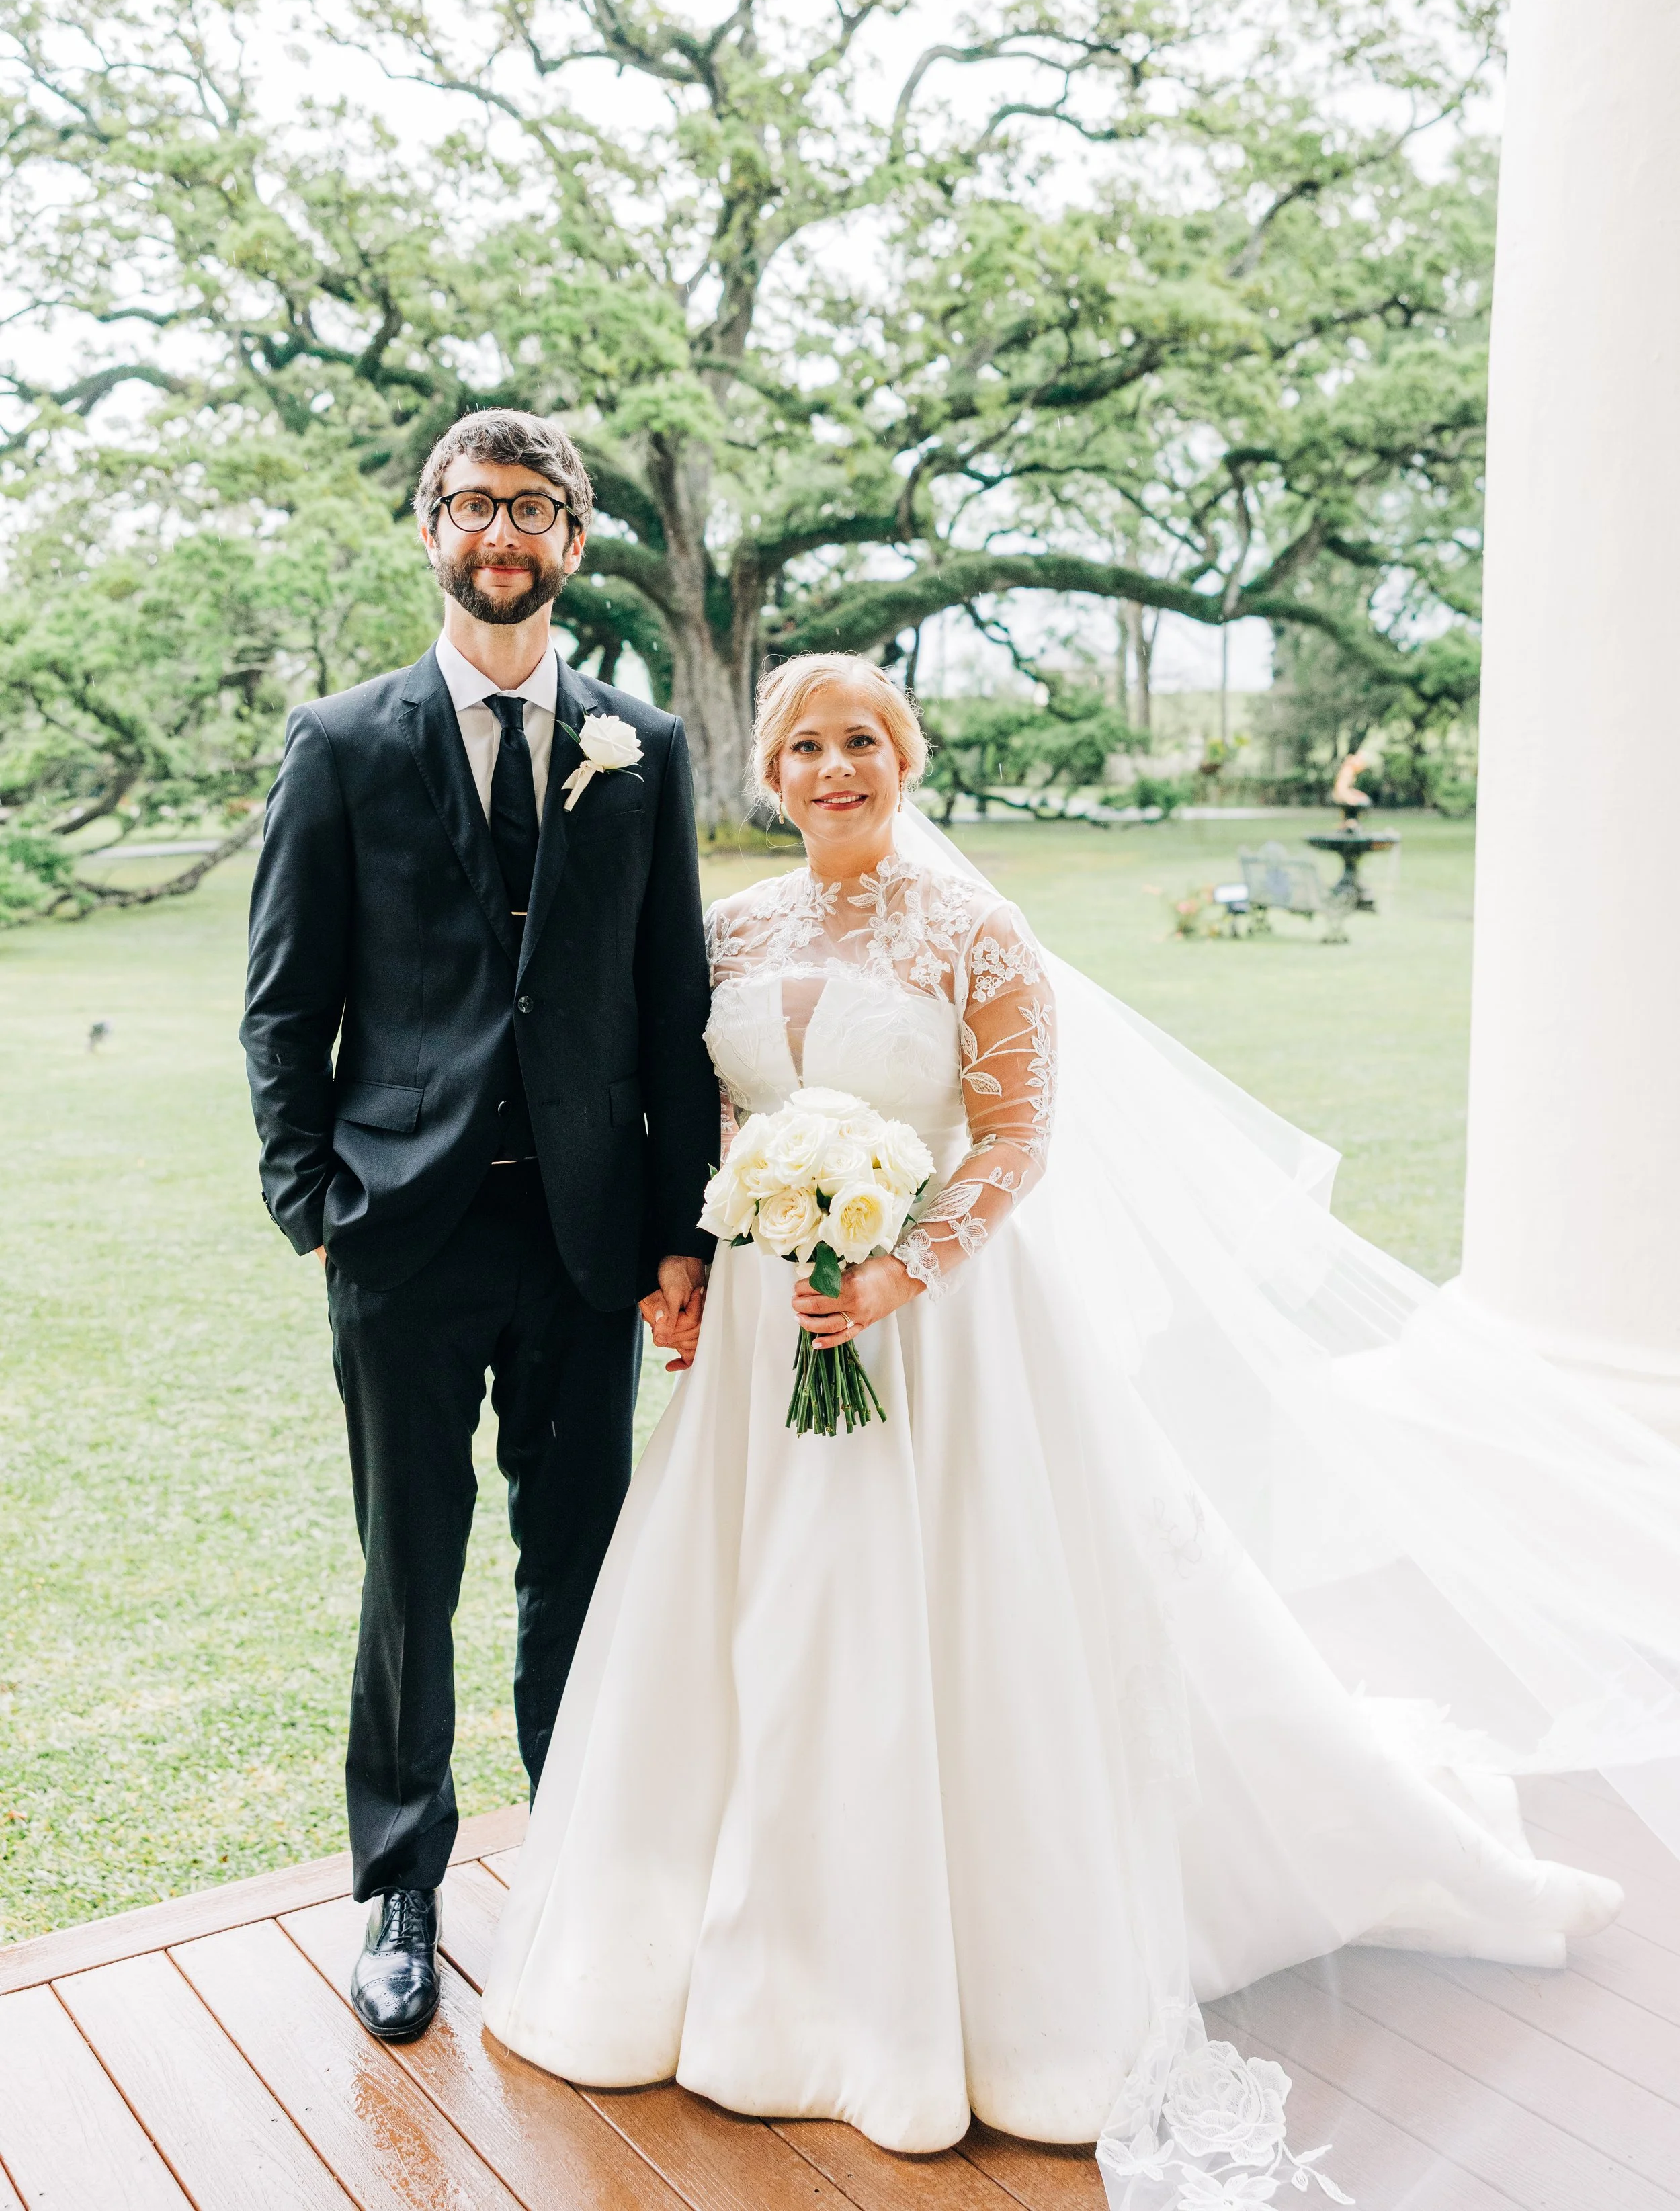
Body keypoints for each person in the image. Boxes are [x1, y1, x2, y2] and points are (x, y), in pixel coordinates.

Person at [483, 651, 1680, 2196]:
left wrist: (900, 1261)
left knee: (950, 1622)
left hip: (941, 1332)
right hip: (771, 1326)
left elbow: (1018, 1131)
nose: (831, 765)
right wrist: (729, 1250)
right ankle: (750, 1959)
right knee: (765, 1620)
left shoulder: (975, 930)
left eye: (860, 739)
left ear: (902, 762)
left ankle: (972, 1987)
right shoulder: (728, 931)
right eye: (802, 744)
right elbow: (707, 1111)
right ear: (765, 775)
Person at [241, 410, 718, 2042]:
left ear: (575, 540)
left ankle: (580, 1867)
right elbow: (284, 1002)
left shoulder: (640, 743)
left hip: (584, 1244)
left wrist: (682, 1234)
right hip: (403, 1238)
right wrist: (312, 1202)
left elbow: (670, 1008)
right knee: (409, 1567)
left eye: (532, 506)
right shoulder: (343, 742)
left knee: (578, 1569)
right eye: (472, 503)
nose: (499, 530)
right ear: (429, 527)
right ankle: (398, 1886)